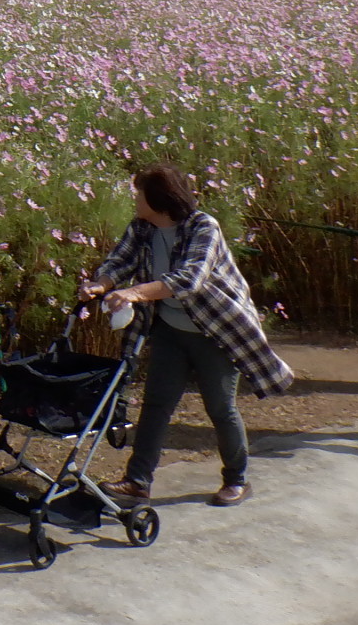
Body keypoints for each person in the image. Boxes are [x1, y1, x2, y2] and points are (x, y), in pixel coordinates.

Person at [78, 165, 293, 507]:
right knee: (156, 405)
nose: (135, 198)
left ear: (158, 199)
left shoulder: (203, 227)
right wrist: (100, 284)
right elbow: (120, 260)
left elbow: (189, 280)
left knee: (221, 409)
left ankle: (236, 479)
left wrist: (134, 293)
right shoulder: (143, 228)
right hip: (171, 330)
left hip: (216, 332)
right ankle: (138, 481)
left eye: (139, 192)